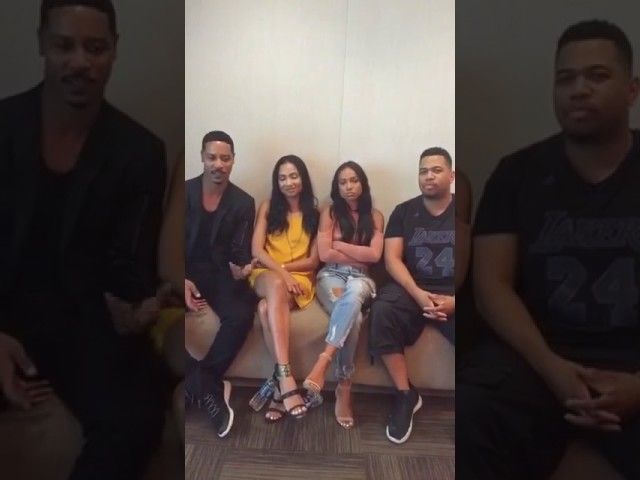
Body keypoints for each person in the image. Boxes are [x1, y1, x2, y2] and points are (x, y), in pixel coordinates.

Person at [457, 20, 640, 479]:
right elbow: (492, 287)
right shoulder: (517, 174)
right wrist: (553, 370)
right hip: (536, 356)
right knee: (468, 413)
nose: (579, 89)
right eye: (565, 78)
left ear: (632, 90)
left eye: (597, 76)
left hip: (632, 361)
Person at [0, 1, 168, 478]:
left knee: (136, 416)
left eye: (95, 48)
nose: (80, 62)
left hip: (83, 326)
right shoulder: (4, 126)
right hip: (5, 312)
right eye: (64, 46)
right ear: (41, 44)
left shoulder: (140, 151)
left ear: (114, 50)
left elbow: (129, 262)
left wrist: (136, 304)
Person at [368, 147, 456, 444]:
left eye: (436, 170)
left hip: (453, 289)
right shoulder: (404, 211)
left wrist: (456, 302)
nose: (428, 176)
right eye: (423, 171)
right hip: (412, 287)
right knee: (381, 311)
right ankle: (406, 394)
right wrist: (418, 295)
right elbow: (392, 260)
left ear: (451, 176)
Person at [184, 130, 257, 438]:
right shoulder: (183, 192)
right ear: (202, 157)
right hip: (184, 270)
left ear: (233, 160)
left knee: (241, 314)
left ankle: (202, 380)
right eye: (212, 157)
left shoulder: (243, 202)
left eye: (225, 158)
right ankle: (208, 386)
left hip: (219, 275)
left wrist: (243, 269)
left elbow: (240, 250)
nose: (218, 164)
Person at [303, 161, 383, 429]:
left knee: (357, 289)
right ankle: (344, 386)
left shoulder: (376, 216)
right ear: (336, 187)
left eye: (354, 180)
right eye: (343, 182)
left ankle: (324, 360)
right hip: (331, 276)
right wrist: (355, 253)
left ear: (363, 183)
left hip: (362, 278)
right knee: (354, 318)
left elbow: (375, 256)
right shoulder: (330, 213)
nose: (349, 186)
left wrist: (339, 244)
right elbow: (325, 255)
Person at [248, 155, 320, 422]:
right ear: (276, 182)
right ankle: (287, 377)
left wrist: (287, 273)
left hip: (300, 279)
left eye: (293, 176)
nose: (288, 182)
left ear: (303, 179)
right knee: (276, 285)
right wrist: (282, 274)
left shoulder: (316, 214)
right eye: (282, 178)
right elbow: (257, 251)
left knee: (265, 308)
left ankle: (279, 389)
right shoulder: (268, 207)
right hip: (266, 275)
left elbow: (313, 261)